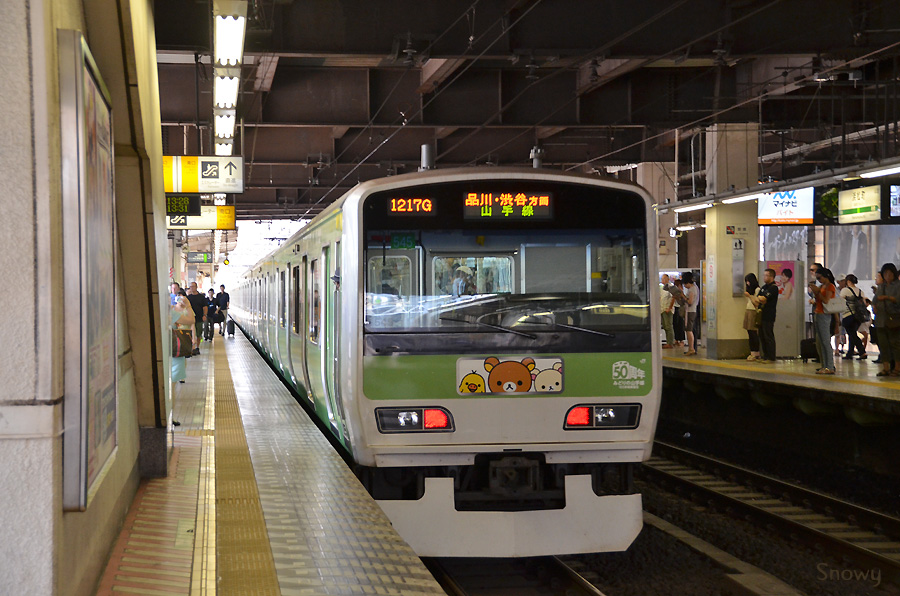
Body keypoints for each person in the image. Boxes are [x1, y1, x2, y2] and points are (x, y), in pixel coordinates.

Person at [809, 267, 837, 374]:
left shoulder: (830, 286)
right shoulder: (822, 286)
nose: (819, 280)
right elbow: (818, 300)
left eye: (820, 277)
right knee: (820, 341)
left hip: (825, 315)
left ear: (826, 276)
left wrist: (818, 292)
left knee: (825, 341)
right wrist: (816, 292)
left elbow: (826, 300)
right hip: (818, 313)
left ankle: (830, 366)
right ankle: (824, 365)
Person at [874, 263, 900, 377]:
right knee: (883, 345)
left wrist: (887, 298)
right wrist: (874, 306)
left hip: (893, 318)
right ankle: (886, 368)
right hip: (880, 319)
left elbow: (898, 300)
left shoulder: (898, 286)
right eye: (885, 273)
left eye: (890, 273)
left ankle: (897, 368)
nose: (888, 276)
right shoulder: (881, 286)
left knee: (895, 344)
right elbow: (875, 300)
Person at [840, 274, 867, 361]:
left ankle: (862, 351)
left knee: (852, 334)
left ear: (848, 281)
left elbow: (840, 301)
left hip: (848, 315)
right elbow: (864, 304)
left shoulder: (845, 290)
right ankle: (850, 353)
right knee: (852, 334)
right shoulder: (860, 291)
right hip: (858, 317)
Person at [171, 295, 194, 391]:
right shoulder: (171, 313)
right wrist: (188, 306)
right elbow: (192, 320)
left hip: (164, 350)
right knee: (171, 387)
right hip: (174, 350)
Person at [757, 268, 779, 363]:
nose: (764, 277)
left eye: (766, 275)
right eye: (764, 275)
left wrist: (761, 298)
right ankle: (765, 355)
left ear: (771, 277)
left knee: (768, 335)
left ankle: (771, 357)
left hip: (769, 315)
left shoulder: (773, 288)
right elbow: (758, 298)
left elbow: (763, 298)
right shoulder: (763, 287)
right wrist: (759, 298)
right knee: (762, 335)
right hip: (761, 314)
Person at [743, 273, 761, 361]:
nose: (747, 283)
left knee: (753, 332)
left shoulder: (757, 290)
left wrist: (750, 296)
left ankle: (756, 352)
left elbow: (756, 303)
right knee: (749, 332)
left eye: (748, 281)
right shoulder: (750, 290)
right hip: (748, 310)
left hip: (753, 311)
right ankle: (752, 352)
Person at [186, 282, 207, 355]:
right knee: (191, 334)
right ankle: (192, 348)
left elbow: (205, 307)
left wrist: (204, 315)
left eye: (193, 286)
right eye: (190, 287)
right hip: (190, 319)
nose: (191, 288)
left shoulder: (201, 297)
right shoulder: (188, 297)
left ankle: (197, 347)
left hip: (199, 318)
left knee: (199, 333)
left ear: (196, 287)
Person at [682, 272, 699, 355]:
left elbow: (690, 302)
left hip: (690, 311)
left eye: (685, 284)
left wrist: (683, 296)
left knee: (689, 330)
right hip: (691, 311)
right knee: (689, 330)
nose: (684, 286)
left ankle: (691, 348)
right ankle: (691, 348)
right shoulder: (694, 288)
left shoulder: (692, 289)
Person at [660, 274, 675, 349]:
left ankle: (670, 342)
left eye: (663, 279)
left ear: (667, 279)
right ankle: (668, 342)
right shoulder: (663, 288)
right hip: (662, 309)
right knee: (665, 326)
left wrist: (670, 308)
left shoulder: (671, 287)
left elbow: (673, 298)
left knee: (668, 326)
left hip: (667, 310)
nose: (661, 280)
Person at [671, 278, 686, 347]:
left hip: (679, 308)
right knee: (676, 324)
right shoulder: (675, 291)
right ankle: (677, 339)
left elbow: (682, 300)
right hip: (675, 308)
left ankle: (681, 340)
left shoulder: (681, 291)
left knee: (679, 324)